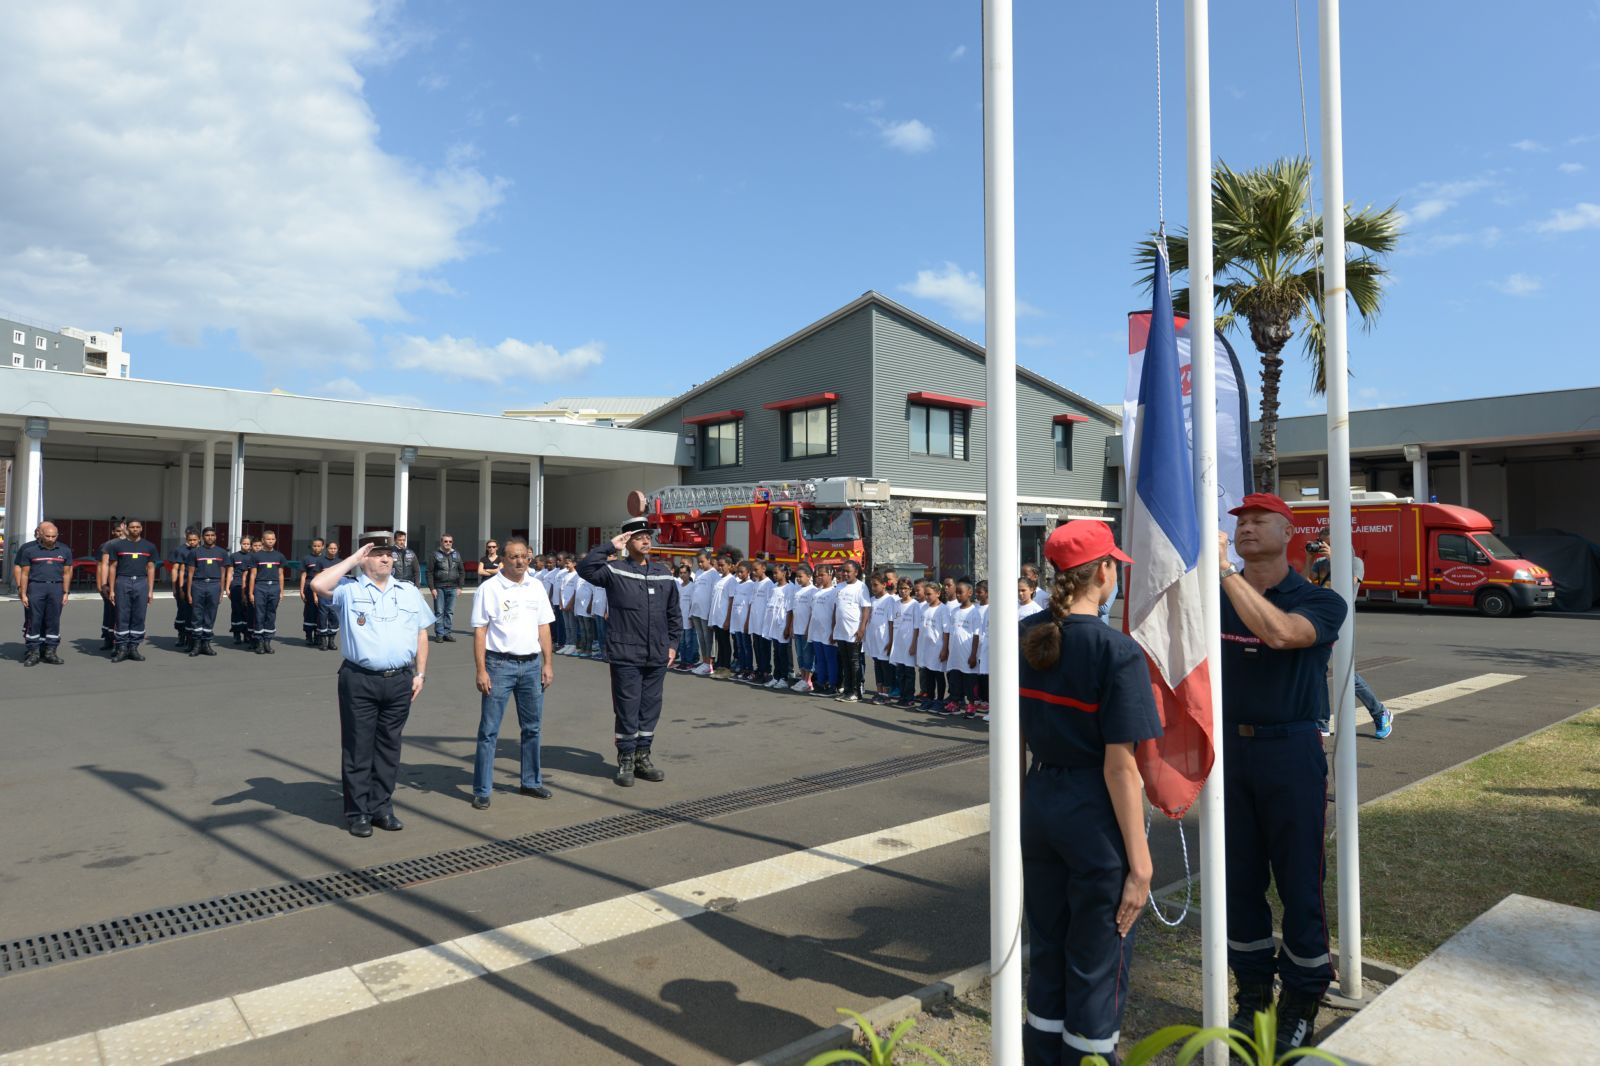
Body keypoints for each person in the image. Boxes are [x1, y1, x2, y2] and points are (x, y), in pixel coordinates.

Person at [1018, 520, 1161, 1066]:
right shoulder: (1115, 651)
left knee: (1048, 949)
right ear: (1104, 572)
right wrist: (1141, 864)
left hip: (1039, 801)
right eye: (1116, 568)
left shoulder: (1027, 635)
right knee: (1097, 962)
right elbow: (1120, 770)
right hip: (1092, 816)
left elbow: (1016, 737)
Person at [1218, 493, 1348, 1052]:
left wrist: (1226, 576)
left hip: (1290, 750)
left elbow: (1280, 634)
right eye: (1239, 521)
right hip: (1230, 750)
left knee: (1300, 882)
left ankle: (1301, 998)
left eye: (1258, 520)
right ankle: (1252, 996)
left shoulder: (1320, 600)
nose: (1245, 528)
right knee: (1238, 881)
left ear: (1288, 531)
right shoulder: (1216, 594)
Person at [312, 531, 435, 838]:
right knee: (358, 748)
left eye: (389, 553)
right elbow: (317, 584)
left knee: (389, 748)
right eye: (377, 553)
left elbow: (421, 633)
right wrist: (353, 558)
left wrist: (420, 674)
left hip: (399, 681)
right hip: (360, 680)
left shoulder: (408, 591)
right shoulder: (348, 590)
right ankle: (358, 813)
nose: (386, 558)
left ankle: (381, 807)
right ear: (364, 558)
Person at [578, 518, 681, 787]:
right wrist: (609, 546)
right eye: (639, 537)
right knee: (627, 707)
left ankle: (642, 758)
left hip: (657, 653)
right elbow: (585, 568)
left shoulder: (664, 572)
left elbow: (674, 613)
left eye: (648, 536)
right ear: (626, 542)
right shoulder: (614, 570)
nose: (646, 541)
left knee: (650, 708)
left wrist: (673, 644)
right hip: (626, 652)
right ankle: (625, 759)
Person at [470, 537, 556, 808]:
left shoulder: (536, 587)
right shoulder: (490, 588)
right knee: (489, 731)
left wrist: (548, 663)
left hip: (531, 666)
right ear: (503, 560)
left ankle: (531, 782)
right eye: (513, 557)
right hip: (499, 666)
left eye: (524, 557)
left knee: (532, 728)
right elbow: (480, 631)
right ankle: (482, 789)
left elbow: (544, 627)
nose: (520, 561)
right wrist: (481, 670)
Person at [1307, 528, 1393, 740]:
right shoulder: (1319, 565)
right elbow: (1305, 586)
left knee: (1347, 674)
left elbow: (1347, 585)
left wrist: (1334, 559)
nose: (1323, 546)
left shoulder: (1354, 562)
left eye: (1328, 543)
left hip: (1342, 624)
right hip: (1320, 623)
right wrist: (1309, 559)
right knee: (1317, 672)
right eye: (1321, 542)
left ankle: (1380, 712)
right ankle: (1322, 723)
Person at [14, 522, 70, 666]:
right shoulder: (30, 550)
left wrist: (66, 592)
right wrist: (23, 592)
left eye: (53, 536)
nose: (51, 539)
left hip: (56, 588)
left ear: (57, 535)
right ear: (40, 534)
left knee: (53, 621)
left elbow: (67, 573)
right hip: (36, 587)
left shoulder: (64, 550)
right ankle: (33, 652)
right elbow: (24, 573)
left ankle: (50, 651)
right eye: (48, 536)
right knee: (35, 620)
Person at [102, 519, 158, 662]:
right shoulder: (117, 545)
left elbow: (151, 569)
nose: (135, 529)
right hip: (123, 581)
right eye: (132, 527)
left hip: (141, 581)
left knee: (139, 616)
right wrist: (112, 589)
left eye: (137, 527)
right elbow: (112, 567)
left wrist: (150, 591)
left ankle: (133, 648)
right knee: (122, 615)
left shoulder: (149, 546)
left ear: (141, 528)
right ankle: (122, 648)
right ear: (127, 528)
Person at [832, 560, 873, 703]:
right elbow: (836, 609)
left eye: (848, 571)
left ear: (856, 572)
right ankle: (847, 690)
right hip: (841, 631)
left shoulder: (861, 587)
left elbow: (866, 608)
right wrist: (834, 629)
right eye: (843, 571)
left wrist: (862, 628)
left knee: (854, 662)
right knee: (845, 662)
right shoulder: (839, 587)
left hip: (853, 631)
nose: (845, 573)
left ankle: (856, 692)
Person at [184, 527, 229, 656]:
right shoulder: (195, 552)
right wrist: (188, 593)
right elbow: (190, 573)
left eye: (212, 535)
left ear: (215, 537)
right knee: (196, 615)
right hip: (198, 584)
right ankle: (196, 644)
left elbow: (223, 573)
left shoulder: (221, 553)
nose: (210, 537)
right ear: (203, 537)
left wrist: (221, 591)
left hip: (214, 585)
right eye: (207, 535)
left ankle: (206, 644)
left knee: (210, 614)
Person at [246, 530, 288, 654]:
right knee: (259, 614)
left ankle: (267, 642)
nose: (271, 541)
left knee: (271, 614)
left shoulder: (279, 556)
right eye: (268, 539)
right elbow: (253, 575)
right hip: (260, 587)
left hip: (274, 587)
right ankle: (259, 643)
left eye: (273, 539)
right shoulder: (256, 556)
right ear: (263, 540)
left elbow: (281, 574)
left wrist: (281, 591)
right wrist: (251, 592)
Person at [943, 578, 980, 718]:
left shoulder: (973, 612)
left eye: (961, 592)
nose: (958, 595)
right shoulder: (954, 611)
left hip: (967, 653)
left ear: (969, 593)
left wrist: (973, 655)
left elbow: (976, 635)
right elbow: (950, 632)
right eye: (956, 592)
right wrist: (946, 649)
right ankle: (955, 702)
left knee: (969, 680)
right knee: (954, 678)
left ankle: (971, 704)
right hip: (955, 654)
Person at [863, 571, 897, 702]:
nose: (873, 588)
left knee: (885, 667)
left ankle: (886, 694)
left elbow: (891, 623)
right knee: (877, 665)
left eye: (876, 585)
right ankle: (879, 691)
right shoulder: (871, 600)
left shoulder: (890, 600)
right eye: (871, 585)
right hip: (874, 639)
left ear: (884, 585)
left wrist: (890, 641)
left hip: (884, 640)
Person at [760, 563, 795, 688]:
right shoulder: (774, 587)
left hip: (782, 624)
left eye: (776, 573)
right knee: (776, 651)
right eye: (773, 573)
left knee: (782, 652)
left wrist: (788, 627)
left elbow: (790, 610)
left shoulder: (790, 588)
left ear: (784, 573)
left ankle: (784, 678)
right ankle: (776, 676)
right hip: (773, 624)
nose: (774, 575)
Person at [917, 579, 950, 711]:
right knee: (928, 674)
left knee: (938, 675)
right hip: (925, 648)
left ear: (938, 593)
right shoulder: (923, 607)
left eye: (929, 594)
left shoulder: (943, 609)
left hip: (937, 647)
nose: (927, 597)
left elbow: (946, 631)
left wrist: (944, 649)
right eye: (925, 594)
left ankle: (940, 700)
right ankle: (929, 698)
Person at [806, 566, 838, 696]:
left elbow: (836, 613)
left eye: (822, 575)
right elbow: (812, 613)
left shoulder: (834, 592)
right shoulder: (816, 592)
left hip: (828, 632)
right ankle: (820, 682)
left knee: (830, 659)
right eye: (817, 575)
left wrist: (833, 631)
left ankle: (832, 684)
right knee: (820, 659)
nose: (819, 577)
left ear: (830, 575)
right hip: (816, 632)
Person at [889, 578, 920, 707]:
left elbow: (916, 627)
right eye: (901, 588)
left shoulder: (914, 605)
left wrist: (913, 644)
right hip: (898, 644)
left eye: (906, 588)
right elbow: (892, 623)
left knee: (909, 672)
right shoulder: (896, 604)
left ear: (910, 589)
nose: (903, 591)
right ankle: (902, 696)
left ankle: (909, 697)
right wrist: (891, 642)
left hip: (909, 643)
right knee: (900, 672)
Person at [97, 519, 128, 651]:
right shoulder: (107, 545)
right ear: (112, 531)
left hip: (124, 583)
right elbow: (100, 566)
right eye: (117, 531)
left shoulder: (130, 545)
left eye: (121, 531)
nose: (119, 534)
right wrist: (101, 586)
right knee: (109, 613)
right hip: (110, 585)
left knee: (122, 613)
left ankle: (121, 641)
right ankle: (108, 639)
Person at [428, 533, 465, 642]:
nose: (448, 543)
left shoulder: (456, 555)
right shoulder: (434, 555)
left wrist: (460, 587)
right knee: (439, 611)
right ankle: (439, 634)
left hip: (453, 587)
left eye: (450, 541)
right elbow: (429, 572)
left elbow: (462, 571)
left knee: (449, 612)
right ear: (441, 542)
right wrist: (432, 588)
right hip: (439, 587)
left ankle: (447, 633)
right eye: (445, 541)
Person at [788, 565, 817, 692]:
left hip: (807, 631)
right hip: (797, 628)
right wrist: (792, 627)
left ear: (809, 577)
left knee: (808, 655)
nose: (798, 579)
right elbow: (794, 611)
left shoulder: (813, 591)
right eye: (797, 577)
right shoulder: (797, 590)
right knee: (800, 655)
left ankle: (808, 681)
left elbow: (812, 612)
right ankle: (803, 678)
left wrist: (808, 629)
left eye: (801, 576)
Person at [170, 529, 200, 649]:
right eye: (190, 540)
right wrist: (175, 588)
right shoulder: (180, 550)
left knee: (195, 613)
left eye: (194, 540)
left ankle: (193, 637)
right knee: (182, 611)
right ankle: (181, 635)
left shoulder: (203, 551)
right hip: (183, 584)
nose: (192, 542)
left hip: (198, 585)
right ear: (186, 538)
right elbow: (175, 569)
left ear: (199, 539)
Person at [689, 549, 718, 675]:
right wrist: (691, 611)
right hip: (696, 611)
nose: (700, 564)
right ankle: (704, 661)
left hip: (706, 613)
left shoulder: (713, 574)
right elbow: (694, 592)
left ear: (709, 560)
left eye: (702, 561)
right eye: (698, 562)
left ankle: (709, 664)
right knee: (701, 638)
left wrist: (711, 615)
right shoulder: (699, 573)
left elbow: (713, 596)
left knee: (708, 639)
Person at [709, 553, 738, 678]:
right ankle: (720, 666)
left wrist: (727, 619)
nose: (720, 568)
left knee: (725, 643)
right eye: (718, 565)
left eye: (722, 565)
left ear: (730, 566)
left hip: (723, 618)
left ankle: (726, 667)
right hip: (716, 617)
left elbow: (731, 600)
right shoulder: (719, 579)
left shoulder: (731, 580)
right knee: (720, 642)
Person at [228, 534, 254, 645]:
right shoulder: (234, 556)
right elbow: (230, 572)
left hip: (248, 586)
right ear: (240, 544)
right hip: (236, 586)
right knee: (236, 610)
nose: (246, 546)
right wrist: (227, 588)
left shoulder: (254, 557)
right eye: (244, 543)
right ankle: (236, 634)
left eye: (248, 544)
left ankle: (247, 634)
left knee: (247, 611)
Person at [300, 537, 327, 646]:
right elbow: (303, 576)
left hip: (323, 587)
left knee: (321, 612)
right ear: (312, 546)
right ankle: (308, 635)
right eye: (314, 546)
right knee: (309, 611)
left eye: (319, 546)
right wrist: (301, 590)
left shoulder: (326, 559)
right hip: (309, 586)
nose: (316, 548)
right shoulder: (306, 559)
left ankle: (318, 635)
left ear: (323, 547)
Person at [317, 541, 343, 650]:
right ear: (326, 549)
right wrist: (315, 595)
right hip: (323, 592)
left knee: (334, 616)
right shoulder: (321, 561)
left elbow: (343, 579)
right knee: (323, 616)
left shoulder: (341, 562)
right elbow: (316, 579)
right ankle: (323, 641)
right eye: (330, 548)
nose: (333, 550)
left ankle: (331, 641)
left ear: (337, 550)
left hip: (336, 593)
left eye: (335, 548)